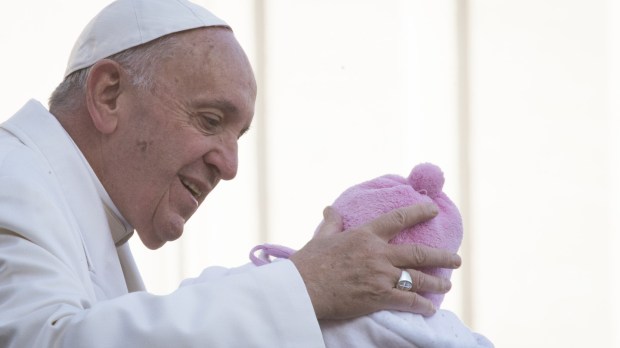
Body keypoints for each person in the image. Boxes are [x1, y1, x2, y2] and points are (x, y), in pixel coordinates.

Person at [0, 0, 461, 346]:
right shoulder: (11, 175)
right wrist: (304, 287)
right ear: (109, 95)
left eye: (238, 136)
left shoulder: (76, 203)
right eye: (210, 120)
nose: (230, 165)